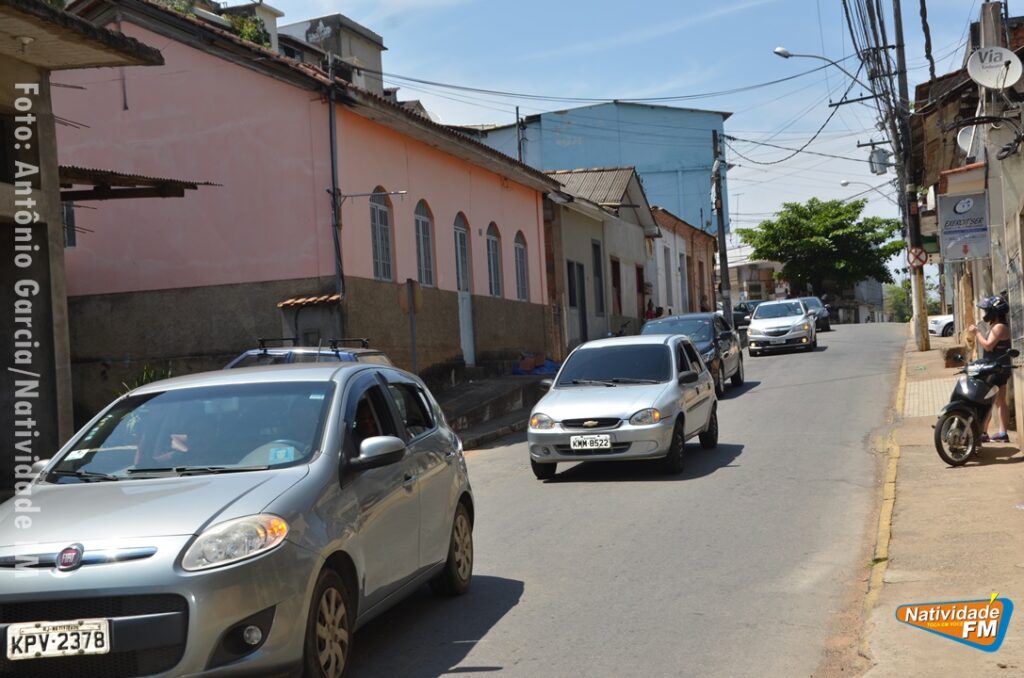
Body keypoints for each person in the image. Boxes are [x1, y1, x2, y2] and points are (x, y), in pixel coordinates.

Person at [967, 295, 1012, 443]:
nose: (985, 313)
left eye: (987, 311)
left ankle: (984, 432)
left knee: (986, 401)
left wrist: (977, 333)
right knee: (999, 402)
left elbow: (988, 346)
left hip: (995, 370)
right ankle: (1001, 433)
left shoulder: (999, 327)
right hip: (998, 368)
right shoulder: (998, 326)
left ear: (994, 312)